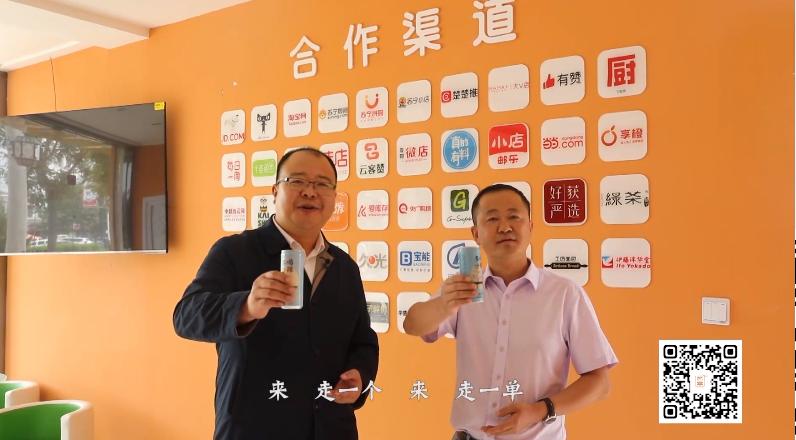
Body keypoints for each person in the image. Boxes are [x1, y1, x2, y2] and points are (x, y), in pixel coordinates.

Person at [174, 147, 379, 440]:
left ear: (334, 197)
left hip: (332, 429)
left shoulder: (344, 267)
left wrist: (359, 374)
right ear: (275, 191)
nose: (310, 192)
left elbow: (364, 342)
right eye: (297, 181)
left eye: (322, 184)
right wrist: (245, 306)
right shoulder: (235, 252)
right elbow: (185, 316)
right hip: (253, 429)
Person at [404, 184, 617, 440]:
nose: (504, 227)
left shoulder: (564, 294)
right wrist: (443, 304)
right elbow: (413, 325)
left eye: (514, 217)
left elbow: (599, 382)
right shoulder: (463, 289)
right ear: (476, 233)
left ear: (530, 227)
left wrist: (541, 410)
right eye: (492, 219)